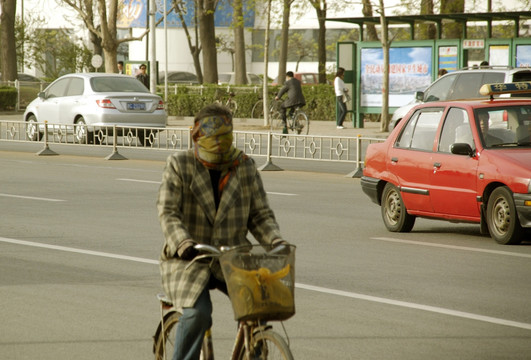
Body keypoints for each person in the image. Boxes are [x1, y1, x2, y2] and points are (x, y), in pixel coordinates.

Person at [157, 104, 287, 360]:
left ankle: (254, 349)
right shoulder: (179, 164)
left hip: (232, 257)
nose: (220, 142)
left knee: (259, 307)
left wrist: (275, 240)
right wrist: (183, 242)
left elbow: (259, 215)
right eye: (212, 135)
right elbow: (168, 212)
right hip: (190, 259)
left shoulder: (244, 166)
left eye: (225, 134)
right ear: (197, 135)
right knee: (198, 313)